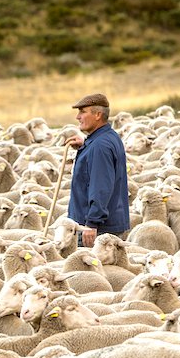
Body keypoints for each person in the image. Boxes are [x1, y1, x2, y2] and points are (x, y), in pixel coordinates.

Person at [63, 93, 130, 248]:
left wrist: (92, 223)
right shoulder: (108, 138)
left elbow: (101, 188)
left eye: (82, 112)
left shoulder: (100, 146)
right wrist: (85, 145)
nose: (78, 117)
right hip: (107, 223)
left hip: (95, 229)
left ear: (98, 115)